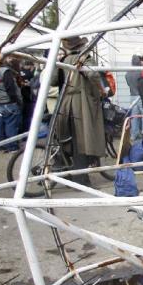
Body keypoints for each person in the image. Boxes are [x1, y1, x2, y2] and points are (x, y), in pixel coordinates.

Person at [55, 37, 106, 186]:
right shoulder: (84, 58)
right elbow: (93, 74)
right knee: (82, 142)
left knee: (67, 140)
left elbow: (52, 80)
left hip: (65, 104)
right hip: (81, 103)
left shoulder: (63, 59)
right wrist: (101, 90)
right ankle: (81, 179)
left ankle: (65, 173)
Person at [0, 57, 23, 151]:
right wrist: (16, 101)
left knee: (0, 125)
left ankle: (2, 146)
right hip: (8, 103)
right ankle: (12, 147)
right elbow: (10, 88)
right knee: (11, 125)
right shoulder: (6, 71)